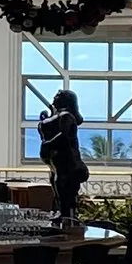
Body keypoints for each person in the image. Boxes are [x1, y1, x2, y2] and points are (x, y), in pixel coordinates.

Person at [36, 85, 87, 223]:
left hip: (67, 164)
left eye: (58, 96)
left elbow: (63, 136)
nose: (54, 98)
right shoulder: (58, 116)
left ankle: (66, 214)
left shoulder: (66, 116)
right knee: (57, 187)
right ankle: (63, 212)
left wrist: (48, 144)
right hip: (57, 164)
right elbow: (46, 131)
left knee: (64, 189)